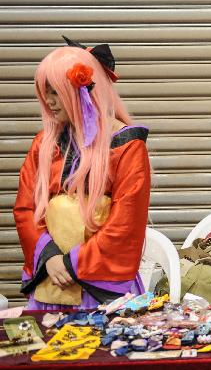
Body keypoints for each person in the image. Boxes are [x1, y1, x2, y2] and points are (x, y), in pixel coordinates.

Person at [14, 39, 151, 309]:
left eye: (56, 92)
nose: (48, 102)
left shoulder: (126, 145)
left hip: (100, 285)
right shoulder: (44, 144)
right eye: (45, 92)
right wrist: (50, 257)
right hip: (50, 279)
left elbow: (126, 222)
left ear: (82, 90)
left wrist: (72, 263)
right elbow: (25, 208)